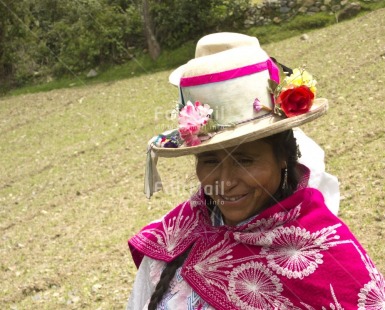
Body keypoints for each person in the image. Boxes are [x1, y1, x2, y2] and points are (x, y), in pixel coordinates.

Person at [127, 32, 385, 309]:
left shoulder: (327, 257)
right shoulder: (176, 235)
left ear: (283, 156)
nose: (224, 182)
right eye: (210, 160)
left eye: (245, 161)